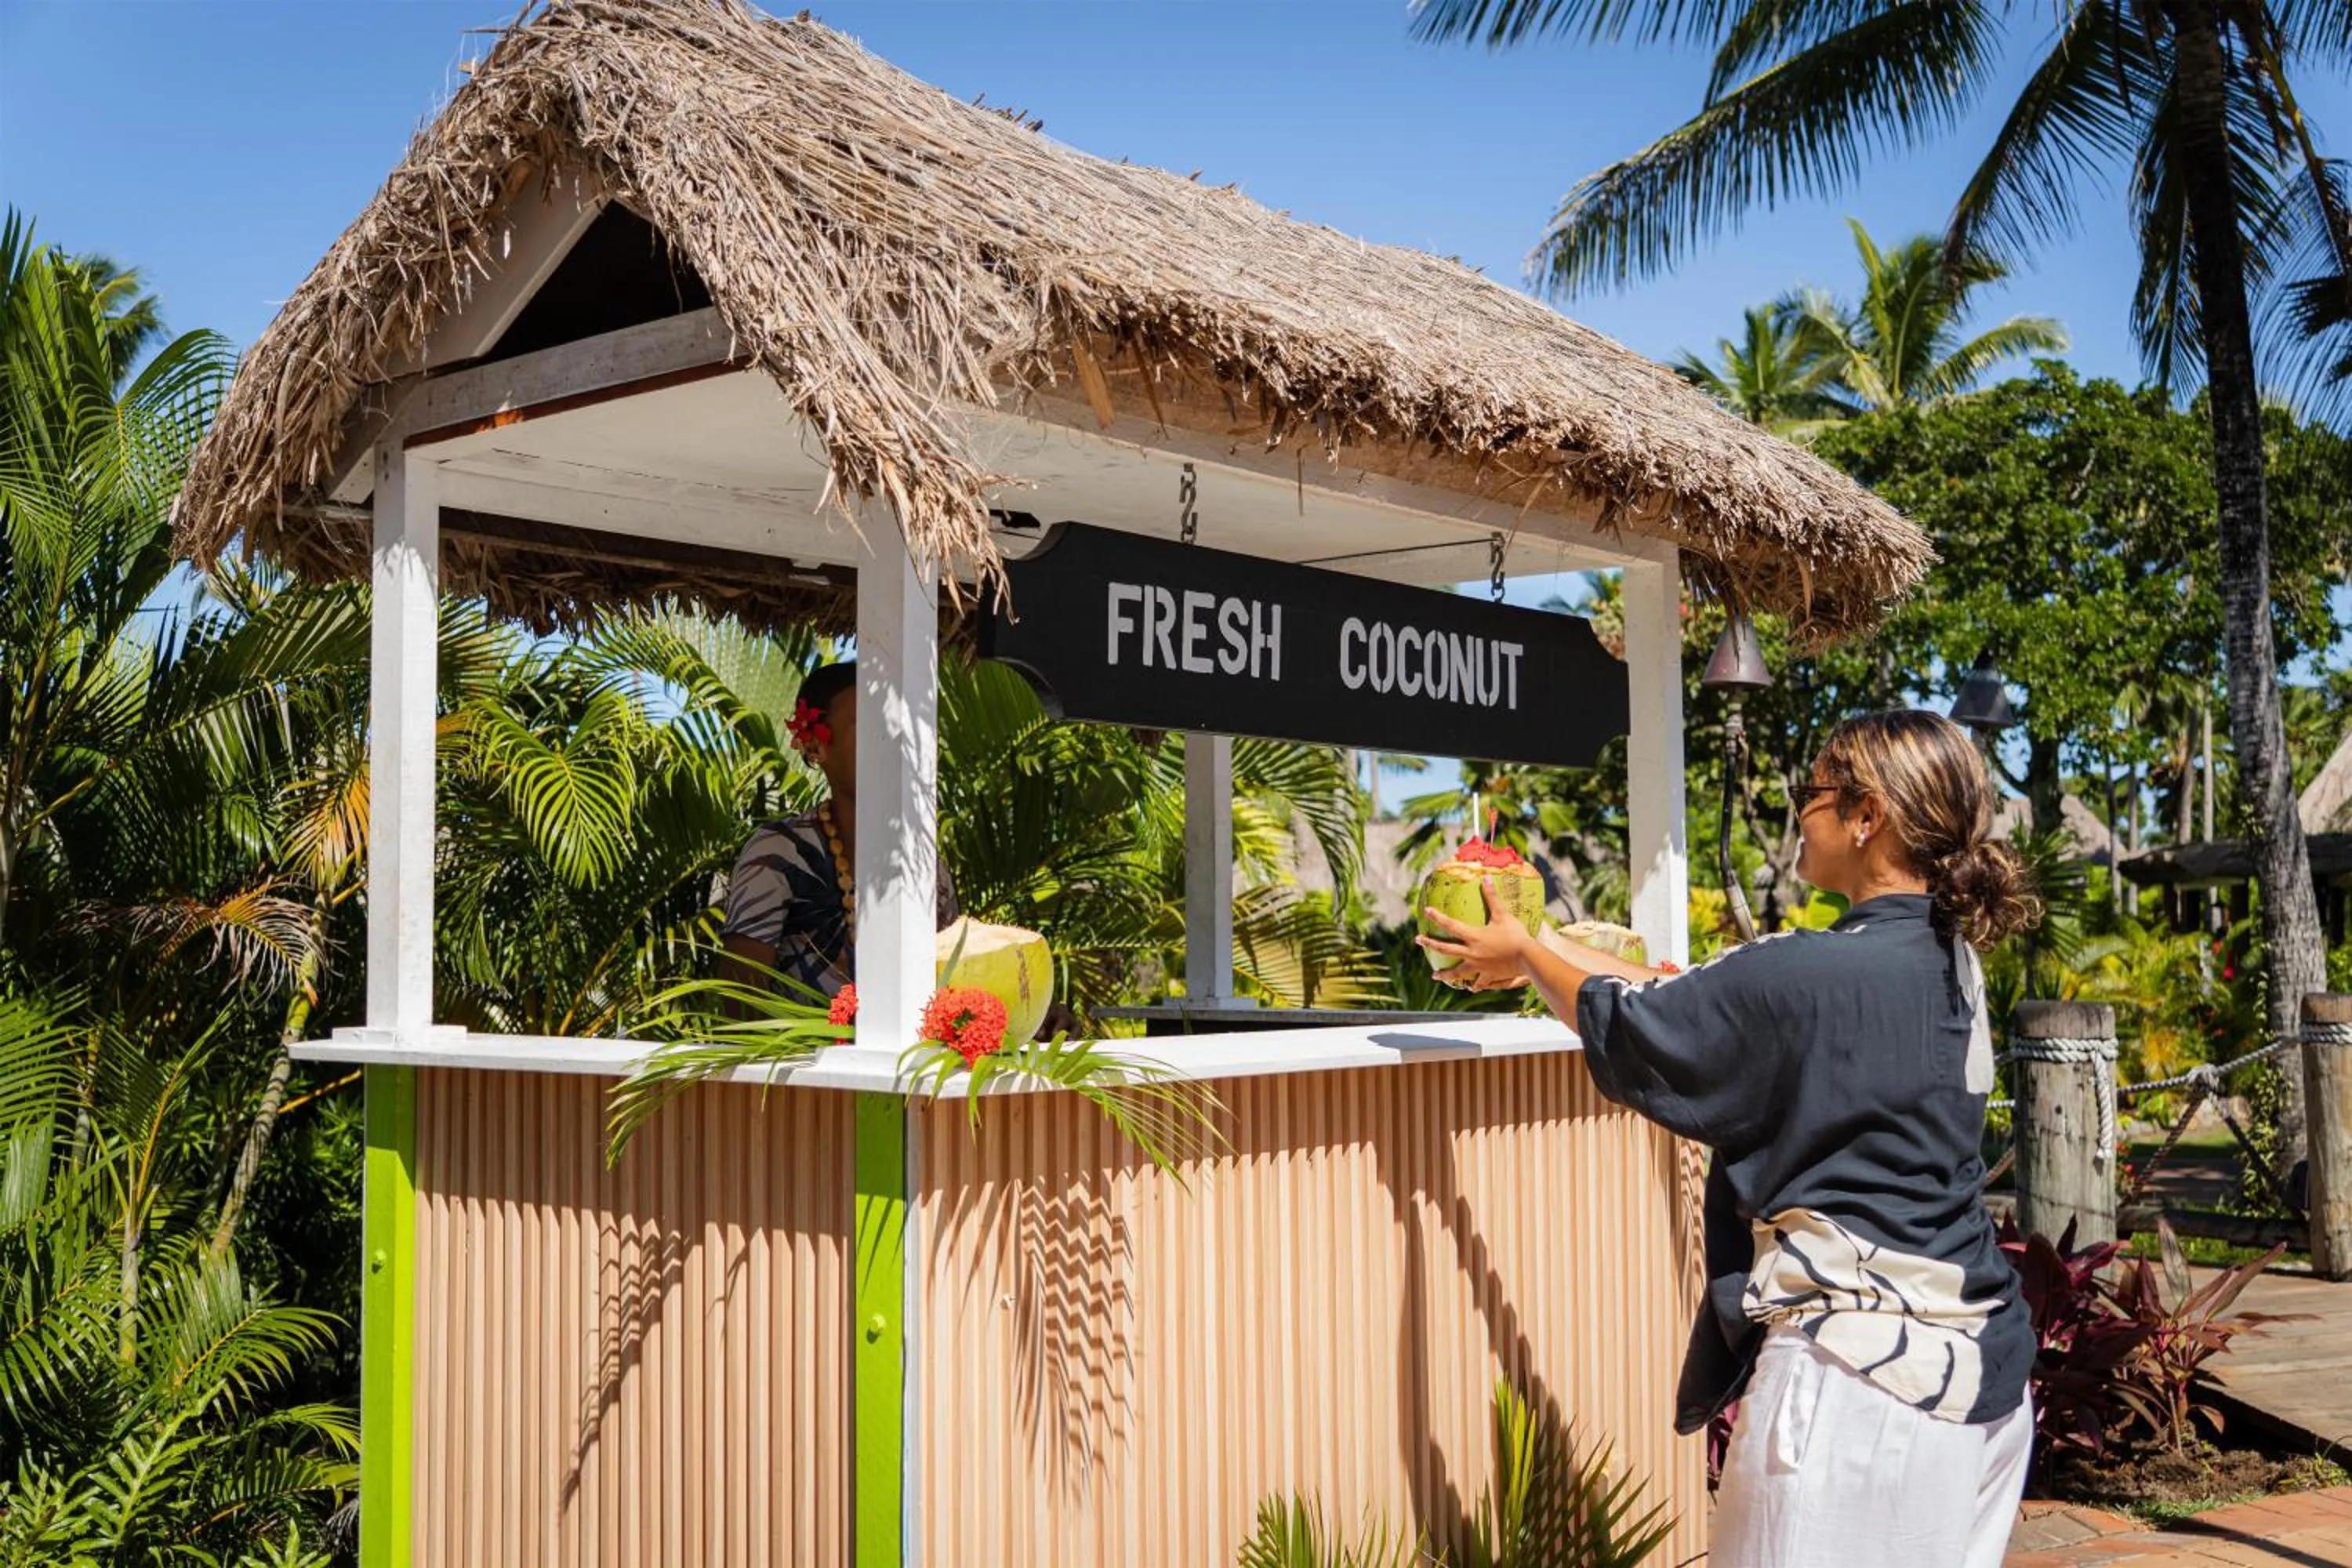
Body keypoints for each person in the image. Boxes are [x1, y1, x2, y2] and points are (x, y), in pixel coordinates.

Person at [1421, 710, 2042, 1568]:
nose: (1798, 810)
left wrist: (1528, 951)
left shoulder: (1807, 969)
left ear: (1869, 816)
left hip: (1860, 1387)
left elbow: (1645, 1020)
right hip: (1983, 1373)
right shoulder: (1950, 961)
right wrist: (1539, 949)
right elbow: (1704, 998)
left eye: (1813, 790)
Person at [720, 662, 957, 999]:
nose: (890, 741)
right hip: (798, 1054)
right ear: (816, 747)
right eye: (870, 727)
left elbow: (959, 985)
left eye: (895, 727)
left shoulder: (925, 865)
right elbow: (739, 1008)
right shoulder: (778, 855)